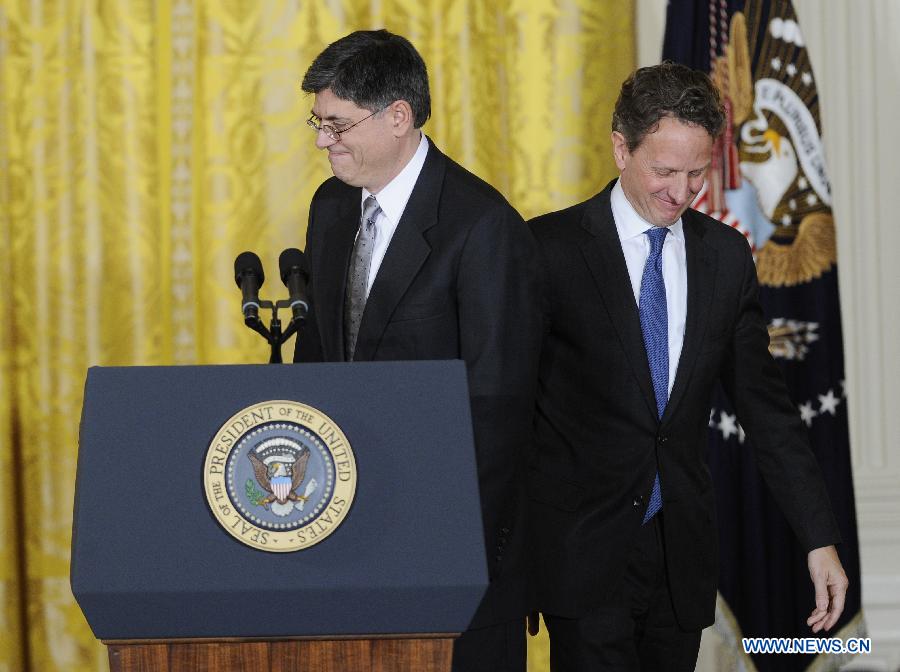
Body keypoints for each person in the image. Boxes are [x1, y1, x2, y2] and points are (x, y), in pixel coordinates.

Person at [527, 62, 849, 671]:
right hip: (582, 557)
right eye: (664, 171)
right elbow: (510, 409)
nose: (682, 191)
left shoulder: (725, 256)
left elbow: (767, 410)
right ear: (621, 148)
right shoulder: (548, 250)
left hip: (681, 562)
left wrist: (818, 537)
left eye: (698, 173)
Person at [294, 29, 541, 672]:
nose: (323, 140)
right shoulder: (329, 206)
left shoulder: (484, 226)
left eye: (338, 125)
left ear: (398, 117)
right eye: (319, 122)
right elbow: (319, 366)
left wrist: (428, 540)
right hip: (341, 538)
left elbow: (497, 412)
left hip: (452, 555)